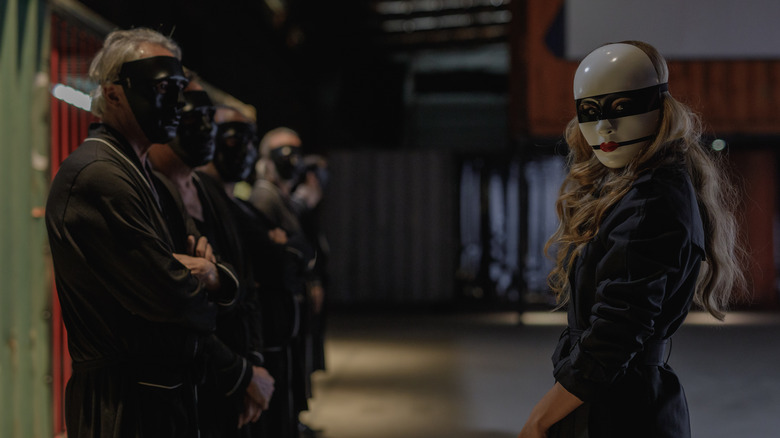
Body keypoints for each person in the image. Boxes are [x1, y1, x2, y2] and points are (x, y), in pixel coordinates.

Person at [518, 41, 746, 438]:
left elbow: (616, 333)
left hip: (618, 412)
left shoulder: (650, 200)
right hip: (617, 401)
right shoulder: (644, 187)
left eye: (622, 108)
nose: (605, 128)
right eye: (590, 112)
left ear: (660, 109)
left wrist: (541, 418)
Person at [45, 28, 239, 437]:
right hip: (124, 406)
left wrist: (213, 276)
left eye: (180, 88)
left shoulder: (139, 171)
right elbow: (174, 300)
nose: (177, 103)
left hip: (155, 397)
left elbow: (196, 278)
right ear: (113, 94)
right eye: (163, 88)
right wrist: (200, 285)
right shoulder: (98, 174)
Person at [147, 83, 274, 437]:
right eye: (192, 119)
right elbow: (177, 307)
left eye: (208, 120)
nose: (204, 131)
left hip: (230, 381)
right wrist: (241, 374)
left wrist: (253, 366)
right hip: (189, 386)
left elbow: (246, 287)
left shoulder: (207, 191)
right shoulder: (152, 195)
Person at [251, 127, 325, 437]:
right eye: (285, 153)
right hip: (277, 311)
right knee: (282, 375)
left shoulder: (279, 196)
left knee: (295, 370)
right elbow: (279, 254)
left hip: (291, 307)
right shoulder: (265, 197)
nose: (292, 160)